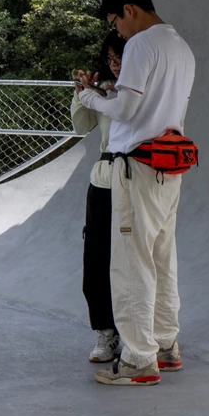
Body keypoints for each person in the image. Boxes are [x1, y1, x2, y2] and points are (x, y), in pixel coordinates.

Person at [71, 0, 197, 387]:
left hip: (135, 166)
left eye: (115, 22)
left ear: (130, 10)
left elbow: (125, 108)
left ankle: (138, 361)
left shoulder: (142, 44)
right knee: (163, 260)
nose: (118, 34)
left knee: (131, 266)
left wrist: (89, 97)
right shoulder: (182, 48)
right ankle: (166, 346)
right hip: (169, 165)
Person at [70, 33, 124, 363]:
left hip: (136, 179)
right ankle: (106, 332)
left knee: (134, 259)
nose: (115, 62)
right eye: (110, 56)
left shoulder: (143, 88)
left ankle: (141, 332)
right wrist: (83, 95)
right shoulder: (102, 88)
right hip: (103, 180)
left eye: (120, 55)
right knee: (97, 257)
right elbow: (80, 127)